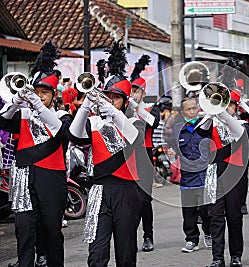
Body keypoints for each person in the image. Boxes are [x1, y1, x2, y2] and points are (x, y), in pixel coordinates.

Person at [69, 41, 145, 266]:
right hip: (99, 190)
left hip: (127, 191)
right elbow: (74, 134)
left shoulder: (133, 121)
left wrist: (112, 111)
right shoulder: (94, 121)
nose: (111, 100)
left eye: (116, 97)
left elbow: (134, 137)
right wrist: (86, 104)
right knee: (97, 252)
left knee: (126, 252)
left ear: (124, 101)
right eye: (108, 96)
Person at [0, 40, 72, 267]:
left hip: (51, 178)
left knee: (51, 230)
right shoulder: (22, 115)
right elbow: (2, 120)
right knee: (24, 230)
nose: (39, 96)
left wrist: (38, 107)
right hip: (23, 177)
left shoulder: (63, 116)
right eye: (36, 92)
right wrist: (17, 100)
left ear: (53, 95)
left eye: (44, 92)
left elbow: (61, 133)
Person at [205, 88, 249, 267]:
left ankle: (236, 255)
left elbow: (241, 134)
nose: (225, 107)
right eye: (223, 103)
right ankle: (217, 258)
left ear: (236, 106)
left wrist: (222, 114)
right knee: (215, 217)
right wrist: (209, 115)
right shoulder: (212, 124)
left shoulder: (243, 124)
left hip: (235, 172)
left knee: (234, 216)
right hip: (214, 173)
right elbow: (199, 134)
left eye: (229, 104)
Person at [166, 97, 212, 253]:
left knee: (206, 210)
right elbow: (173, 149)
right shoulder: (178, 129)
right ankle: (191, 239)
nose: (192, 112)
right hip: (187, 177)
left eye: (194, 108)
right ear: (182, 112)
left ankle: (209, 232)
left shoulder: (207, 125)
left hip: (205, 174)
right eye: (188, 109)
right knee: (189, 212)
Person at [127, 55, 160, 252]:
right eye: (131, 91)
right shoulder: (123, 109)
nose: (134, 94)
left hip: (145, 155)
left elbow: (153, 123)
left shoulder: (150, 108)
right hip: (127, 155)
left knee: (145, 199)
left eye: (137, 91)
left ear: (143, 92)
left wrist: (136, 107)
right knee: (128, 199)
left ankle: (148, 235)